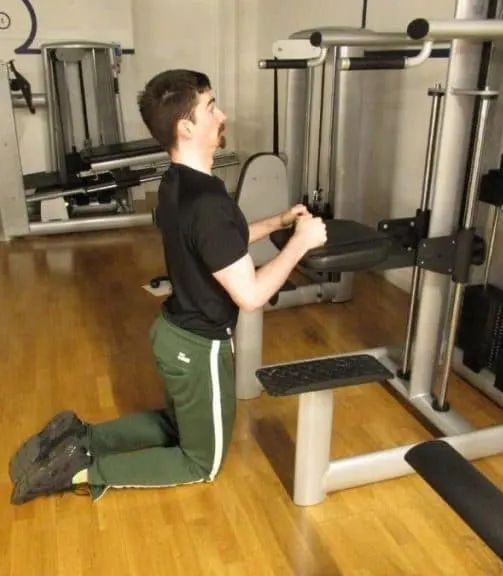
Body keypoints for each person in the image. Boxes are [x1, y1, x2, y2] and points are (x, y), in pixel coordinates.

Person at [9, 69, 328, 504]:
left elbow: (215, 245)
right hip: (199, 347)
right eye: (211, 107)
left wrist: (276, 223)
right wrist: (301, 245)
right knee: (202, 462)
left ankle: (80, 437)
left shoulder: (178, 183)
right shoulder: (209, 201)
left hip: (173, 333)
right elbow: (251, 295)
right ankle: (82, 471)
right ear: (187, 125)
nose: (222, 115)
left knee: (177, 425)